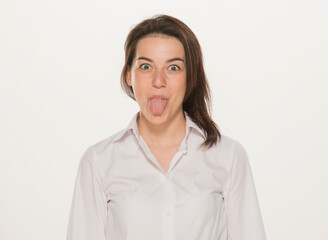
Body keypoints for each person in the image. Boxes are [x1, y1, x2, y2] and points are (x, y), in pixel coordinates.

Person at [66, 14, 266, 240]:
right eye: (145, 66)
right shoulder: (98, 161)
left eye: (173, 68)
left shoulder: (228, 156)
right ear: (128, 75)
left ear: (190, 77)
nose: (158, 80)